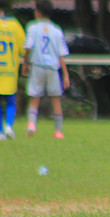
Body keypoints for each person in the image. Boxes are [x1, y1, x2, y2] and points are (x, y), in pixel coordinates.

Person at [21, 0, 68, 139]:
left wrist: (25, 63)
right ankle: (58, 131)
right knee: (56, 99)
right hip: (53, 68)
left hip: (37, 66)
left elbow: (28, 47)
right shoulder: (57, 30)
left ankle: (31, 124)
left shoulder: (32, 27)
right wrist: (65, 74)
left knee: (35, 97)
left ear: (38, 12)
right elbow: (61, 54)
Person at [0, 0, 24, 139]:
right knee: (10, 101)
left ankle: (0, 132)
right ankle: (9, 125)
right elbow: (24, 48)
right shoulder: (14, 25)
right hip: (10, 68)